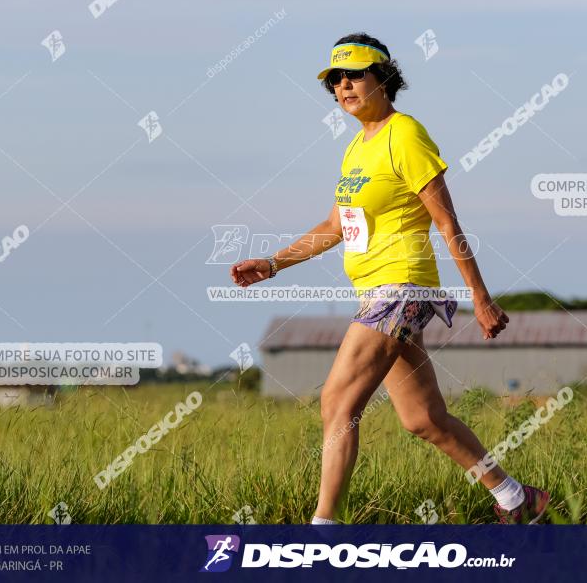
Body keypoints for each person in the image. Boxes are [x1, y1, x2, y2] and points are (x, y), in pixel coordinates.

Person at [229, 33, 550, 525]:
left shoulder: (406, 135)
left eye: (355, 74)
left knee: (337, 402)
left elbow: (447, 222)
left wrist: (480, 297)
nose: (343, 85)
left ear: (384, 78)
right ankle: (516, 498)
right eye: (335, 79)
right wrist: (273, 264)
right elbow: (334, 228)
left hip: (400, 288)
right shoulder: (357, 150)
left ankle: (324, 528)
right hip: (377, 292)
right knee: (424, 419)